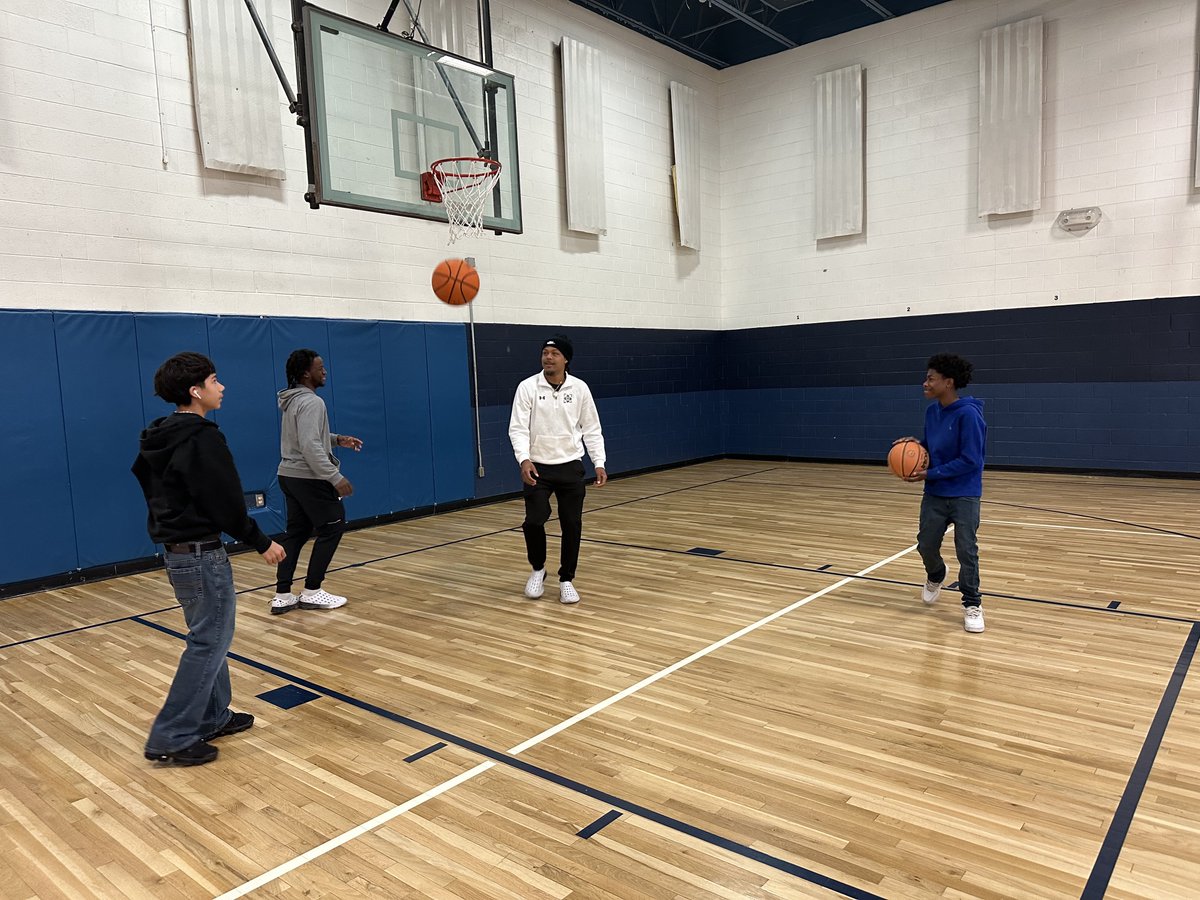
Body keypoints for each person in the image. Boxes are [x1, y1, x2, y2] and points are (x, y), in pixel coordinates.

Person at [133, 352, 286, 766]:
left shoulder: (158, 436)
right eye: (216, 381)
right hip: (201, 556)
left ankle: (213, 716)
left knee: (210, 637)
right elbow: (225, 502)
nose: (223, 387)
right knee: (208, 642)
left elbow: (148, 482)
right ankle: (172, 736)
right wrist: (261, 541)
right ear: (195, 391)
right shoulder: (202, 437)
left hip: (179, 556)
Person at [508, 335, 607, 605]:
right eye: (544, 352)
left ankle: (566, 579)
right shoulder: (527, 387)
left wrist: (599, 462)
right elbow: (517, 428)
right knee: (534, 520)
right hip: (537, 467)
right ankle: (538, 569)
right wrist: (524, 459)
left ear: (566, 359)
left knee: (571, 524)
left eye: (554, 353)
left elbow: (592, 428)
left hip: (571, 466)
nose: (548, 357)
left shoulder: (580, 389)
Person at [896, 353, 988, 633]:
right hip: (936, 491)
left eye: (930, 378)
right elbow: (933, 446)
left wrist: (930, 473)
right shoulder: (932, 411)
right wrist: (915, 447)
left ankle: (972, 603)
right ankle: (936, 573)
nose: (925, 383)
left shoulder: (969, 414)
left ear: (948, 382)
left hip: (964, 493)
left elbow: (971, 459)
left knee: (966, 550)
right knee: (925, 544)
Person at [272, 349, 362, 614]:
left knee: (296, 533)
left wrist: (336, 439)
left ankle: (283, 595)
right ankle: (312, 591)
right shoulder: (312, 402)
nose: (324, 372)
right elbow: (310, 446)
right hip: (308, 478)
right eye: (320, 368)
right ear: (305, 373)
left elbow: (307, 436)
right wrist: (335, 477)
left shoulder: (293, 399)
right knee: (333, 527)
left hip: (288, 475)